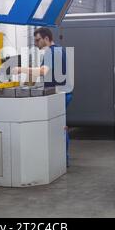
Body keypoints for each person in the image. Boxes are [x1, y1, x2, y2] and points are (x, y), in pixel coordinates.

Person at [13, 27, 73, 166]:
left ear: (46, 39)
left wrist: (19, 69)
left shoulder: (51, 52)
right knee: (60, 126)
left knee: (58, 127)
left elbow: (42, 71)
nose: (36, 43)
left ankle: (62, 159)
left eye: (38, 40)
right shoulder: (58, 49)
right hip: (63, 93)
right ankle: (63, 158)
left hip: (60, 95)